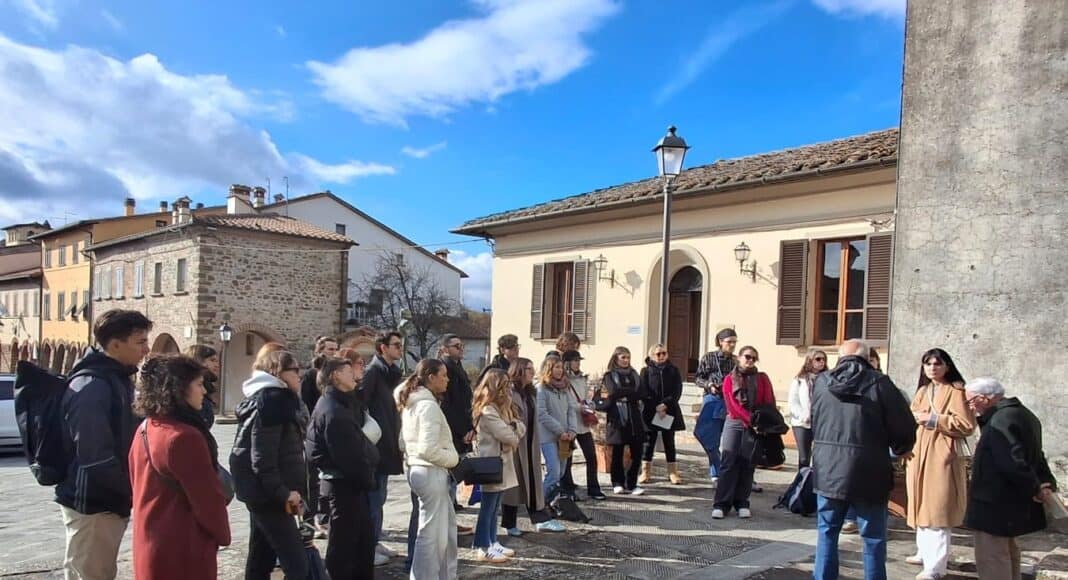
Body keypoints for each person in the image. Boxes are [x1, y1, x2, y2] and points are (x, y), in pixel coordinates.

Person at [56, 309, 152, 580]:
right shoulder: (93, 385)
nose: (146, 349)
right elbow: (94, 456)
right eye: (140, 342)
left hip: (108, 500)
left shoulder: (116, 379)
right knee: (90, 574)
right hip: (94, 503)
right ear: (115, 344)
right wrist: (131, 491)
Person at [810, 339, 917, 580]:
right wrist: (901, 448)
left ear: (840, 357)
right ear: (867, 357)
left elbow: (815, 421)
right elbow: (903, 425)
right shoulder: (880, 383)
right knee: (873, 537)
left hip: (829, 468)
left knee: (827, 531)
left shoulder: (822, 382)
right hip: (870, 469)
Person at [130, 354, 231, 580]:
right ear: (178, 389)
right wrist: (220, 534)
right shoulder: (184, 437)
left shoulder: (147, 427)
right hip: (181, 544)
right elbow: (207, 500)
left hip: (151, 538)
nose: (204, 391)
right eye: (198, 384)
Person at [963, 377, 1059, 580]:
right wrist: (1044, 482)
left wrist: (1036, 488)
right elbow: (1035, 454)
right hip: (1006, 503)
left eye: (971, 401)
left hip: (994, 503)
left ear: (985, 398)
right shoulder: (1022, 414)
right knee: (1008, 555)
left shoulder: (1001, 419)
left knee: (992, 558)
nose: (970, 407)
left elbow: (1013, 462)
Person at [229, 349, 309, 580]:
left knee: (260, 557)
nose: (299, 374)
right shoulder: (273, 400)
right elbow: (262, 457)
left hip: (263, 492)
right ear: (278, 372)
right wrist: (283, 493)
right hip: (268, 494)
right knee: (296, 563)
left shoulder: (273, 398)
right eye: (294, 369)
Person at [906, 348, 977, 580]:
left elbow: (967, 425)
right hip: (918, 453)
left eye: (937, 364)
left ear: (947, 366)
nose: (932, 368)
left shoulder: (957, 391)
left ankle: (935, 567)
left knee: (938, 509)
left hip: (941, 454)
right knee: (921, 504)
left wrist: (934, 419)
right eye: (928, 364)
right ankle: (924, 552)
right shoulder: (923, 391)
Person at [307, 356, 379, 580]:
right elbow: (348, 456)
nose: (355, 376)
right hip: (344, 487)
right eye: (349, 371)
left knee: (361, 545)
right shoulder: (333, 410)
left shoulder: (341, 404)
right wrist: (367, 477)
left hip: (349, 485)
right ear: (336, 375)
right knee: (345, 550)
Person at [396, 359, 460, 580]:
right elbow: (428, 449)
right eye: (443, 374)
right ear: (431, 377)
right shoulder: (427, 405)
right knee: (431, 535)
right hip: (429, 470)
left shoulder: (414, 402)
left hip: (419, 468)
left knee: (441, 532)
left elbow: (404, 442)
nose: (447, 378)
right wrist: (454, 459)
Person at [501, 358, 565, 534]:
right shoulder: (510, 392)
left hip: (530, 443)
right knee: (513, 487)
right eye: (528, 369)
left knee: (533, 482)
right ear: (519, 370)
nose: (532, 372)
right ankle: (509, 524)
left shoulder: (530, 392)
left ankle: (541, 519)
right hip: (515, 445)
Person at [712, 345, 774, 519]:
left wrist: (761, 422)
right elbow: (732, 405)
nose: (750, 360)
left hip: (756, 425)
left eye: (754, 358)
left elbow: (768, 401)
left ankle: (742, 502)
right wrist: (750, 420)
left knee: (748, 464)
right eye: (747, 356)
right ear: (739, 357)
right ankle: (721, 504)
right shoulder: (729, 379)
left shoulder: (762, 379)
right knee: (728, 463)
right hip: (735, 422)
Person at [470, 369, 525, 563]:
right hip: (492, 464)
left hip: (503, 462)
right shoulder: (488, 410)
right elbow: (508, 435)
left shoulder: (504, 408)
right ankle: (482, 546)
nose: (509, 389)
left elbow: (520, 426)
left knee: (495, 508)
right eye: (505, 385)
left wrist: (513, 427)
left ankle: (492, 541)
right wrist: (513, 428)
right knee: (488, 507)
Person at [361, 331, 406, 566]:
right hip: (376, 445)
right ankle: (367, 547)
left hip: (389, 442)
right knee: (373, 499)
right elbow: (362, 407)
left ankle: (375, 541)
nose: (400, 348)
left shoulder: (393, 373)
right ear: (382, 348)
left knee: (381, 497)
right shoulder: (372, 373)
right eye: (396, 345)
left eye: (401, 345)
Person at [300, 336, 340, 535]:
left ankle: (325, 516)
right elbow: (306, 402)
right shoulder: (311, 375)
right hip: (314, 430)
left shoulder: (336, 374)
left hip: (329, 431)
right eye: (329, 348)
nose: (333, 351)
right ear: (320, 350)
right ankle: (314, 517)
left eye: (335, 348)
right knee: (313, 478)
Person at [596, 346, 647, 496]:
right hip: (617, 417)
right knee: (617, 452)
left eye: (628, 357)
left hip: (634, 417)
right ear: (616, 358)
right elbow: (613, 392)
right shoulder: (609, 375)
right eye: (623, 357)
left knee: (637, 452)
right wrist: (629, 394)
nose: (626, 360)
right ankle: (617, 482)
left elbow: (641, 392)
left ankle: (632, 483)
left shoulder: (634, 374)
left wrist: (626, 395)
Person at [558, 350, 605, 501]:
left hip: (583, 424)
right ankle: (567, 490)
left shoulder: (582, 379)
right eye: (575, 360)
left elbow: (585, 397)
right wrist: (579, 406)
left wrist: (590, 404)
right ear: (567, 363)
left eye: (579, 360)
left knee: (591, 457)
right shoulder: (563, 380)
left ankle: (594, 488)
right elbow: (565, 402)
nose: (578, 363)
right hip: (569, 424)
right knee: (568, 459)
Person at [694, 328, 738, 482]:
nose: (732, 345)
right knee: (707, 436)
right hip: (712, 400)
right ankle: (716, 471)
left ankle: (722, 473)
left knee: (730, 439)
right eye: (729, 342)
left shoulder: (736, 361)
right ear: (720, 342)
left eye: (734, 342)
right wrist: (710, 384)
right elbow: (698, 378)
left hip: (731, 402)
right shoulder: (709, 357)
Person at [639, 344, 686, 485]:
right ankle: (646, 472)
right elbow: (644, 391)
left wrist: (665, 404)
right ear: (652, 355)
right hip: (651, 411)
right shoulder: (645, 371)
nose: (661, 356)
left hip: (668, 410)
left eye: (664, 353)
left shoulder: (674, 370)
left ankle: (672, 472)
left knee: (669, 442)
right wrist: (655, 406)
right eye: (658, 354)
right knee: (648, 442)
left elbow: (677, 391)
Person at [438, 334, 475, 513]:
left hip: (463, 424)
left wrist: (471, 427)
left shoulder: (458, 366)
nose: (461, 349)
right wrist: (463, 430)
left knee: (457, 466)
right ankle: (449, 504)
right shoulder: (446, 368)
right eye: (456, 346)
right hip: (452, 428)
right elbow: (450, 406)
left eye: (462, 345)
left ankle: (452, 502)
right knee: (451, 468)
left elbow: (465, 400)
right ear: (445, 348)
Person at [536, 355, 578, 505]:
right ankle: (539, 503)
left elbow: (571, 410)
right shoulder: (541, 389)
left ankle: (550, 501)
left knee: (560, 472)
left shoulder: (565, 388)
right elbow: (541, 413)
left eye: (561, 367)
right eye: (557, 367)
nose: (560, 370)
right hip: (548, 437)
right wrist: (560, 430)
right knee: (553, 472)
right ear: (549, 369)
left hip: (565, 438)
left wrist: (572, 430)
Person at [787, 349, 827, 468]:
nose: (821, 362)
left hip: (821, 422)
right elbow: (793, 401)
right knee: (804, 456)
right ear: (810, 361)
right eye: (818, 359)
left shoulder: (828, 379)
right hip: (802, 423)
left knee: (819, 455)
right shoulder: (800, 379)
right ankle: (802, 482)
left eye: (823, 359)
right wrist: (802, 415)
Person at [184, 344, 221, 428]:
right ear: (198, 361)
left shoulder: (206, 389)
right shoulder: (191, 391)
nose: (217, 365)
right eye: (212, 360)